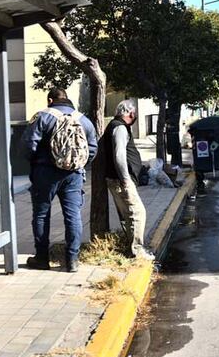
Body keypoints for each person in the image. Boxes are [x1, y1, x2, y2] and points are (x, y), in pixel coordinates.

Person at [19, 88, 98, 272]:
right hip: (73, 174)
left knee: (41, 215)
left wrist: (36, 162)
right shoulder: (83, 120)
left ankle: (41, 258)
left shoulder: (42, 116)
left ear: (50, 99)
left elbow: (28, 145)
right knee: (73, 216)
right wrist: (77, 165)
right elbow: (92, 149)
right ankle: (72, 260)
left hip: (45, 173)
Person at [99, 100, 154, 261]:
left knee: (127, 215)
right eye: (134, 113)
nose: (135, 115)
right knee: (138, 213)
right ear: (130, 113)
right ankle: (137, 250)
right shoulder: (120, 127)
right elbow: (119, 155)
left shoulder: (117, 126)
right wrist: (125, 179)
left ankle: (131, 247)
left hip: (118, 180)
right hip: (121, 181)